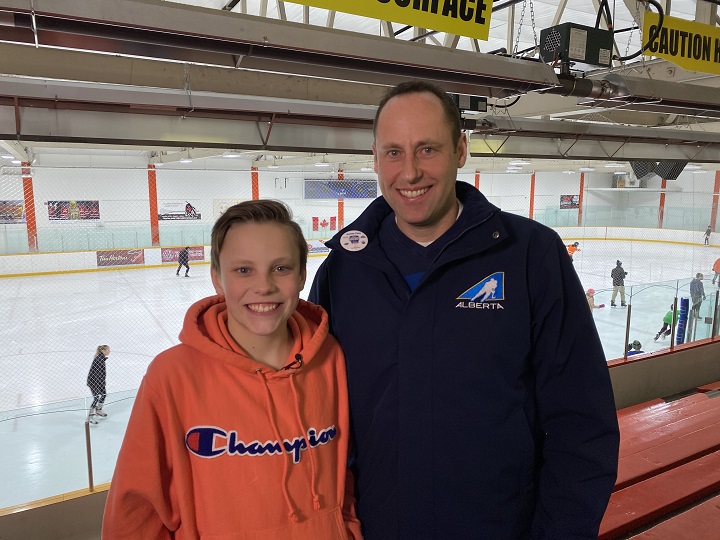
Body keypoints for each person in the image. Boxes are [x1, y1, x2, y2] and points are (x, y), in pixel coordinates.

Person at [310, 81, 619, 539]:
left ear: (460, 149)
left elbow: (582, 422)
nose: (410, 172)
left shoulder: (531, 255)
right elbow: (315, 421)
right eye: (393, 152)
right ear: (374, 158)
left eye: (427, 149)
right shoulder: (343, 272)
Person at [104, 200, 361, 539]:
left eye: (281, 268)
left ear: (302, 275)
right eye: (243, 270)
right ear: (217, 279)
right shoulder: (172, 376)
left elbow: (342, 474)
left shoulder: (330, 357)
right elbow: (136, 511)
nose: (264, 286)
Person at [87, 345, 110, 424]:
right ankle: (90, 416)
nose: (109, 351)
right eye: (108, 350)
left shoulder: (101, 359)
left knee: (103, 395)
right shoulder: (99, 360)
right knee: (96, 397)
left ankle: (99, 410)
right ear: (103, 351)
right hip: (93, 382)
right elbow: (98, 374)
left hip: (99, 382)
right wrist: (101, 384)